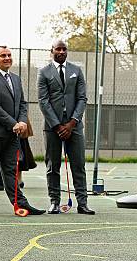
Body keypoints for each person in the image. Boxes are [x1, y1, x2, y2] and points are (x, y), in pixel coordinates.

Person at [0, 46, 45, 216]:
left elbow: (22, 104)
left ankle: (21, 204)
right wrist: (14, 123)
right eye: (3, 55)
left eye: (9, 55)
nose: (7, 58)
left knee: (11, 170)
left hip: (12, 134)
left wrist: (21, 121)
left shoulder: (16, 79)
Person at [37, 40, 94, 215]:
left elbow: (82, 98)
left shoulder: (76, 71)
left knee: (78, 165)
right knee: (52, 166)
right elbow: (43, 101)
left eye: (64, 49)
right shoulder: (44, 73)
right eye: (58, 49)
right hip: (52, 128)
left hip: (74, 127)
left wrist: (72, 123)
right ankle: (54, 202)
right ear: (51, 51)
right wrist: (57, 125)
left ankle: (82, 203)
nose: (61, 51)